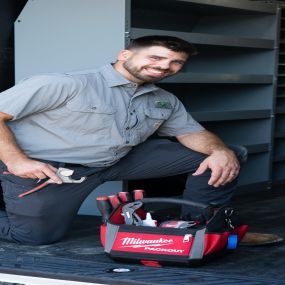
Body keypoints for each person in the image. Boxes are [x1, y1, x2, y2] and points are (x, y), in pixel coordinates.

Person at [0, 35, 280, 245]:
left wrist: (218, 150)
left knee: (226, 154)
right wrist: (17, 160)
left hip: (118, 161)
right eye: (155, 58)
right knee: (33, 237)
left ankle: (206, 230)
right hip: (53, 171)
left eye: (175, 62)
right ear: (124, 54)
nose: (164, 66)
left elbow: (190, 132)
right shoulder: (66, 84)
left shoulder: (163, 99)